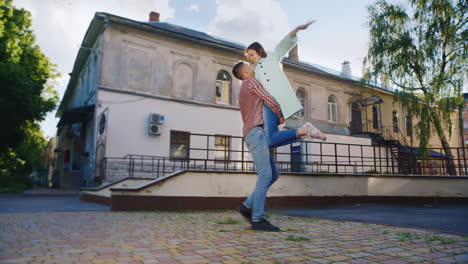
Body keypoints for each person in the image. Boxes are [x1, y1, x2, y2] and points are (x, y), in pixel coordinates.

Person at [232, 61, 310, 231]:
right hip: (256, 133)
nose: (251, 67)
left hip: (254, 133)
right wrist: (280, 114)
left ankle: (247, 207)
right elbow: (268, 98)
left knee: (273, 174)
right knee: (265, 175)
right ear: (244, 71)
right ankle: (258, 219)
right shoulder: (251, 82)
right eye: (248, 65)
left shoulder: (244, 88)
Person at [246, 20, 326, 142]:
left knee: (270, 139)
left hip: (278, 102)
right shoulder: (255, 71)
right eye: (249, 56)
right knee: (270, 140)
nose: (251, 58)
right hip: (268, 105)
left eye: (252, 54)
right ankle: (304, 132)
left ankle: (304, 130)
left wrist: (297, 29)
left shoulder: (271, 57)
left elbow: (283, 44)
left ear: (259, 51)